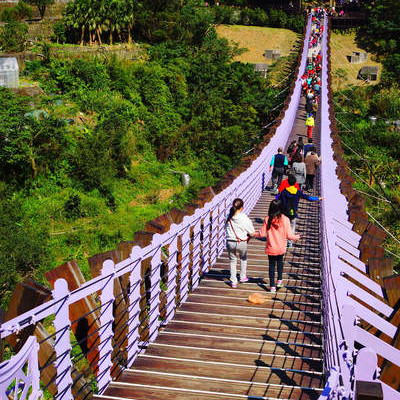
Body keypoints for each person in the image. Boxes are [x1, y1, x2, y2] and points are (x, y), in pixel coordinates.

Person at [255, 199, 300, 293]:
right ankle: (279, 281)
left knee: (271, 266)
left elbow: (262, 234)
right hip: (281, 248)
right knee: (280, 263)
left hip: (271, 248)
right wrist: (297, 237)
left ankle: (272, 287)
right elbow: (289, 236)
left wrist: (254, 234)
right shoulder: (285, 219)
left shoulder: (268, 219)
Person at [277, 175, 322, 247]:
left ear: (288, 182)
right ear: (295, 183)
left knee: (283, 226)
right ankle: (290, 242)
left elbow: (278, 199)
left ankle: (281, 241)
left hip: (284, 212)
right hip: (294, 212)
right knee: (292, 226)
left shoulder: (284, 192)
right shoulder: (298, 192)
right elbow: (308, 197)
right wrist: (318, 198)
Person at [226, 198, 255, 288]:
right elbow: (252, 232)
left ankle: (233, 281)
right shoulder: (244, 218)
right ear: (242, 207)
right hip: (241, 242)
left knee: (232, 260)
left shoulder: (229, 216)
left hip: (230, 241)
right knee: (243, 258)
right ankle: (242, 277)